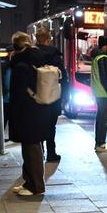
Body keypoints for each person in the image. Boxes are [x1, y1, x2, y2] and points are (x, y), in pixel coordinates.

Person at [7, 32, 47, 195]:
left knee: (31, 148)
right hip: (37, 109)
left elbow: (18, 93)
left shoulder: (21, 66)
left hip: (26, 112)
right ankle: (28, 182)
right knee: (31, 146)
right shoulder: (36, 59)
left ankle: (35, 186)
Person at [34, 28, 67, 161]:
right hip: (53, 96)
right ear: (48, 40)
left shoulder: (32, 54)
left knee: (38, 124)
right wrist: (64, 96)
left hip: (37, 96)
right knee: (51, 126)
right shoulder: (55, 55)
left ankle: (39, 151)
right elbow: (63, 78)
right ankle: (51, 153)